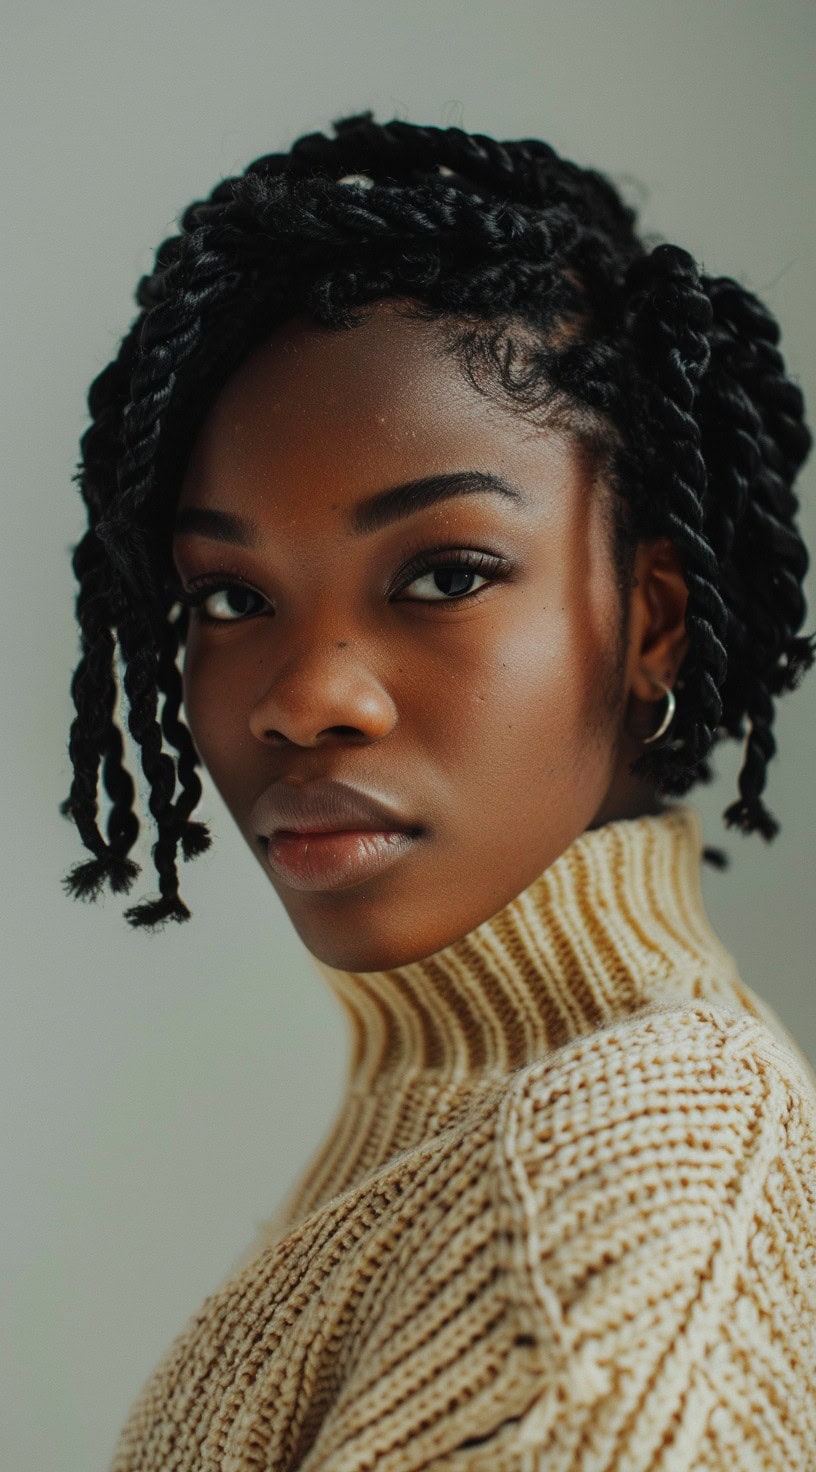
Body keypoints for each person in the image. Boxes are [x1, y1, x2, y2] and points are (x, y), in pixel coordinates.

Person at [62, 114, 816, 1469]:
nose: (303, 696)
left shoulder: (626, 1192)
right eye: (229, 598)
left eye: (444, 574)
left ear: (652, 620)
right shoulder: (470, 1111)